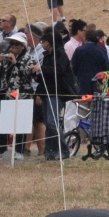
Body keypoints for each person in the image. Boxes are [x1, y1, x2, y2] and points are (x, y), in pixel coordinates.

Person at [36, 28, 77, 159]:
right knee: (48, 123)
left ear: (50, 42)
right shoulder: (46, 55)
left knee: (53, 122)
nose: (42, 43)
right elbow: (45, 76)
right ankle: (50, 151)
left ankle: (63, 151)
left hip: (57, 93)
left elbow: (59, 70)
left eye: (44, 41)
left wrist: (41, 69)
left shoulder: (60, 54)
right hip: (46, 93)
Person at [70, 28, 109, 97]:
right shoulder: (101, 51)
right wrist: (105, 90)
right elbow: (106, 70)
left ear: (86, 37)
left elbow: (73, 68)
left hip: (82, 87)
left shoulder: (79, 50)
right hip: (98, 89)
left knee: (83, 107)